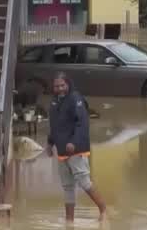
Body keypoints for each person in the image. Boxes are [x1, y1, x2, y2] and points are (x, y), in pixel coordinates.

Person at [46, 73, 108, 222]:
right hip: (61, 150)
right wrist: (50, 143)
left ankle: (103, 210)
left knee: (84, 181)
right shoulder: (54, 103)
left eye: (62, 85)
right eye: (56, 86)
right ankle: (69, 220)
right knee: (67, 186)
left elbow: (82, 124)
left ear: (68, 84)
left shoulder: (76, 99)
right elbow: (54, 126)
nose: (60, 88)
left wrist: (74, 142)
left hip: (77, 148)